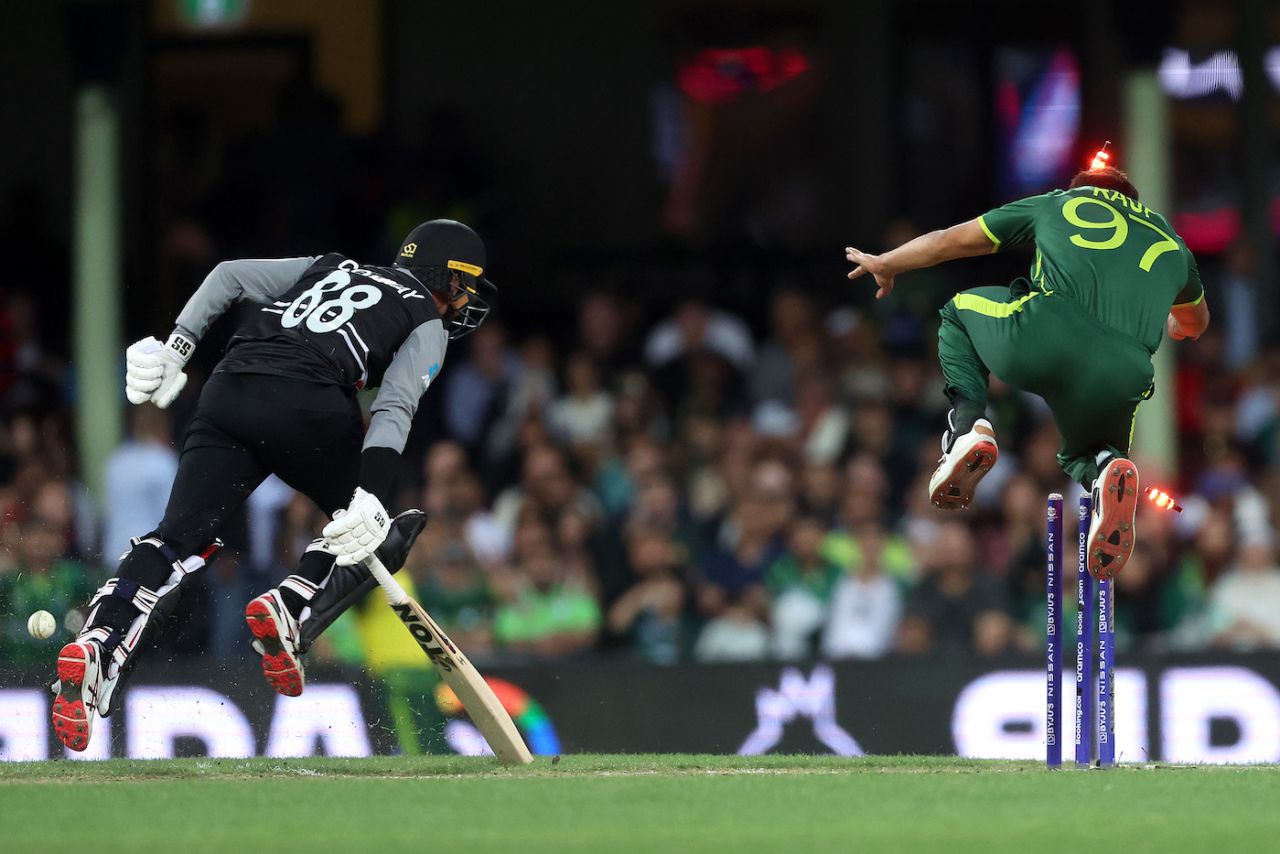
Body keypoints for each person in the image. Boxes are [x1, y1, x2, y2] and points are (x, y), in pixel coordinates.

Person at [50, 219, 497, 752]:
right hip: (307, 403)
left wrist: (178, 349)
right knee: (382, 530)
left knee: (177, 537)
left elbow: (228, 276)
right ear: (443, 278)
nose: (464, 299)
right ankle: (292, 604)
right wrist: (372, 494)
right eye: (463, 284)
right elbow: (394, 408)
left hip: (228, 389)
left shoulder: (332, 263)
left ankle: (100, 640)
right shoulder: (427, 320)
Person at [845, 148, 1209, 580]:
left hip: (1048, 334)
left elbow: (948, 241)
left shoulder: (1057, 202)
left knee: (957, 312)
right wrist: (1171, 321)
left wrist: (887, 263)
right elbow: (1195, 324)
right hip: (1124, 370)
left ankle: (968, 428)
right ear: (1134, 201)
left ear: (1083, 191)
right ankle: (1106, 469)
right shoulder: (1171, 242)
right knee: (1088, 456)